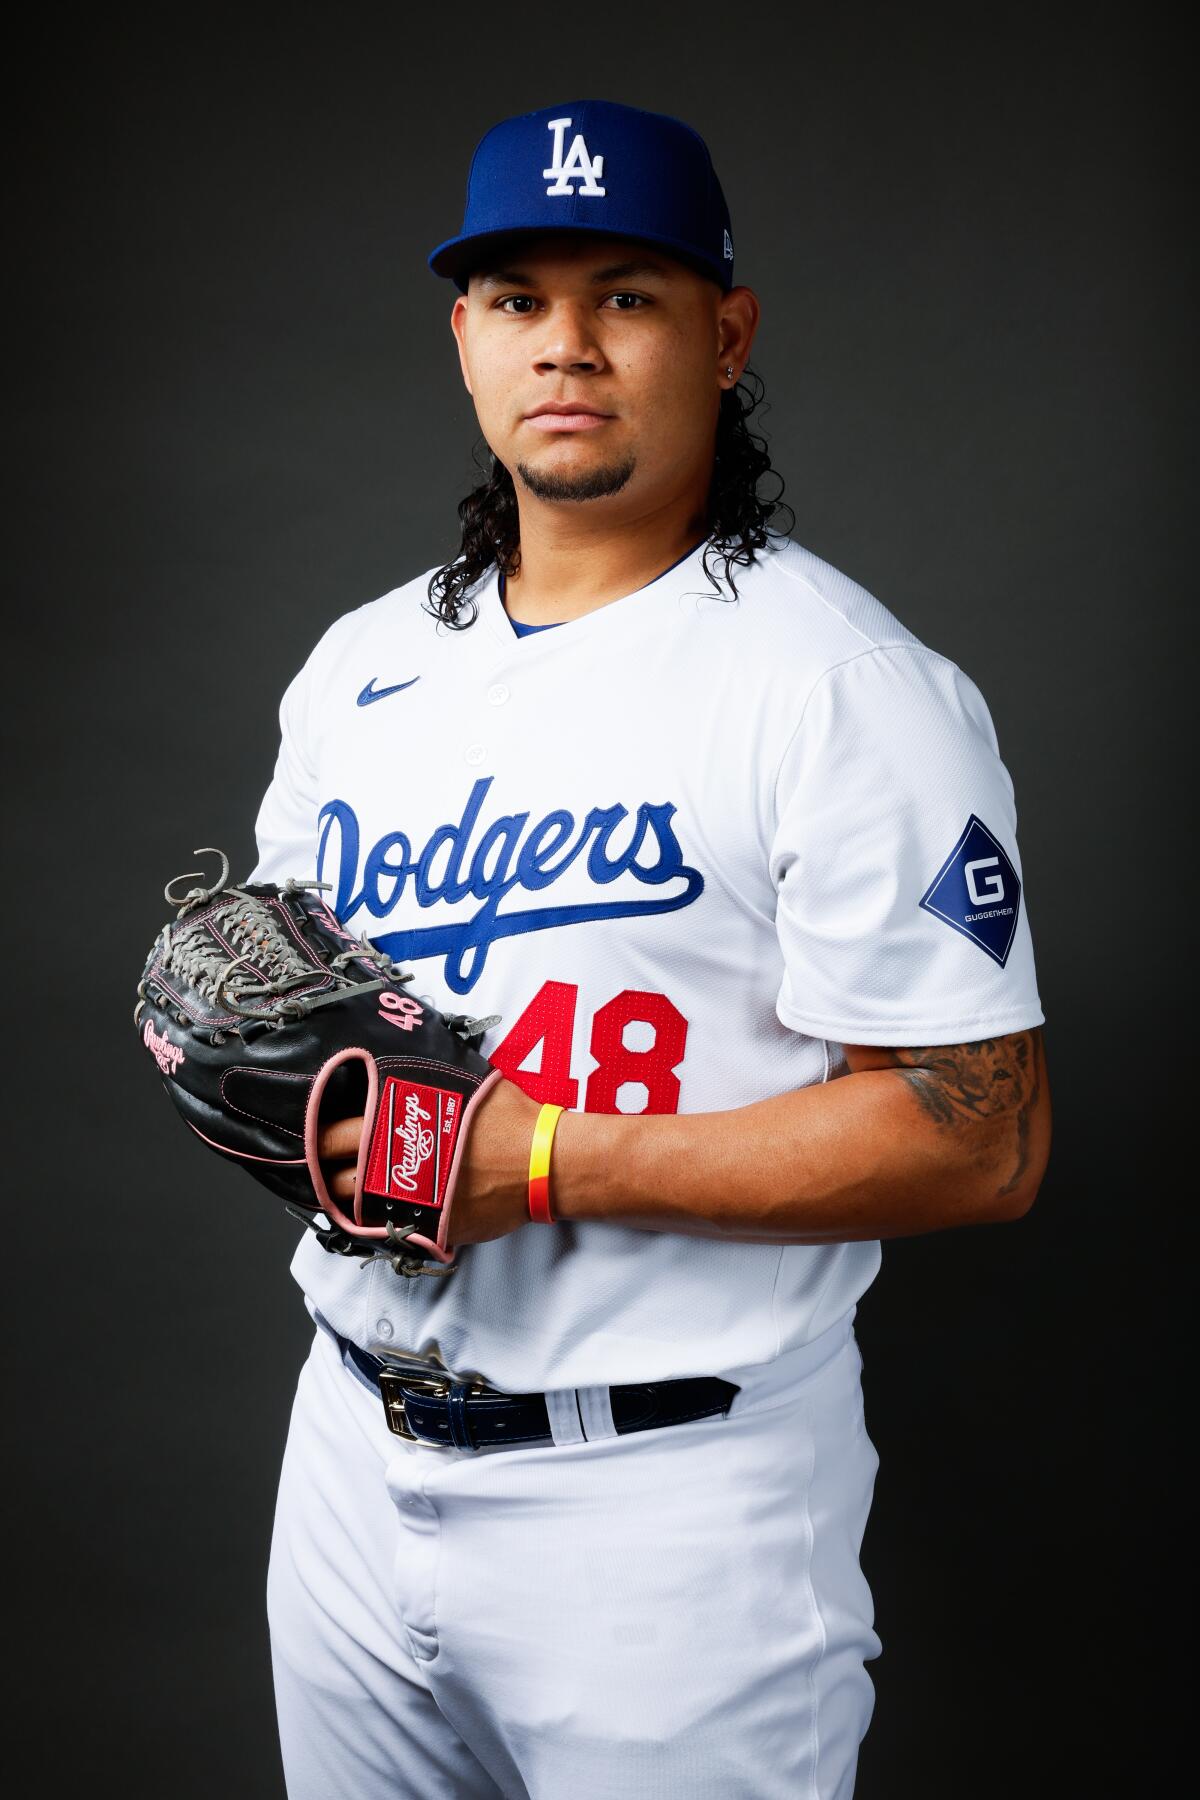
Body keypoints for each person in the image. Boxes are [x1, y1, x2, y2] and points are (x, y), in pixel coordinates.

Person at [253, 98, 1051, 1800]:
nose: (569, 345)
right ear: (463, 336)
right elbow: (291, 1003)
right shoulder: (359, 667)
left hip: (670, 1510)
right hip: (346, 1454)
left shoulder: (841, 686)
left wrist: (544, 1161)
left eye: (627, 295)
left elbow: (982, 1136)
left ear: (726, 335)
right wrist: (250, 1083)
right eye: (519, 299)